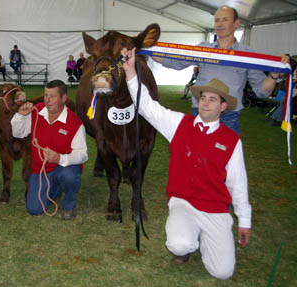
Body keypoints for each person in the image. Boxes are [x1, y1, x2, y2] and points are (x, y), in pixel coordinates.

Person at [122, 47, 251, 280]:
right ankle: (189, 238)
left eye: (213, 99)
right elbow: (147, 107)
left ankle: (205, 237)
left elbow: (238, 184)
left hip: (215, 209)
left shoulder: (232, 141)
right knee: (178, 245)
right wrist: (131, 72)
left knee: (222, 272)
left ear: (223, 106)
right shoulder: (179, 124)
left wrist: (245, 221)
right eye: (203, 98)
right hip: (183, 202)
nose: (206, 103)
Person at [150, 5, 290, 134]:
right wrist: (147, 50)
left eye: (225, 19)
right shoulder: (203, 49)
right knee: (195, 157)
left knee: (225, 160)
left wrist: (274, 73)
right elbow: (174, 61)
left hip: (229, 118)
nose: (220, 24)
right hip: (200, 113)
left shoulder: (247, 56)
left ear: (236, 23)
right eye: (217, 20)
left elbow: (262, 90)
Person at [11, 80, 88, 220]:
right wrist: (21, 115)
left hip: (63, 167)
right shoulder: (36, 111)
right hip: (41, 169)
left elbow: (82, 155)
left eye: (52, 96)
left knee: (69, 176)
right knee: (34, 209)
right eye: (46, 95)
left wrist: (60, 158)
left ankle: (69, 205)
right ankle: (56, 187)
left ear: (63, 98)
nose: (48, 100)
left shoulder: (74, 122)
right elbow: (18, 133)